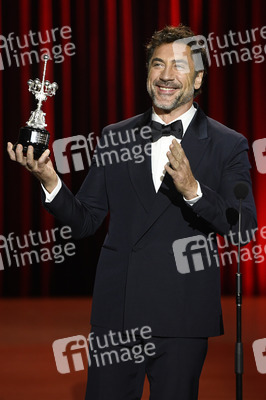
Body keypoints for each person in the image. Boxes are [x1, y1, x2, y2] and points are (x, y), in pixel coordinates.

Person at [7, 24, 257, 400]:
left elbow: (244, 227)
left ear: (199, 77)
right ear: (147, 73)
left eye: (179, 66)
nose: (166, 76)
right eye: (157, 65)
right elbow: (87, 219)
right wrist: (50, 180)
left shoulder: (228, 144)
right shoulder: (114, 135)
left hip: (182, 319)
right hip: (117, 316)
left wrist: (193, 190)